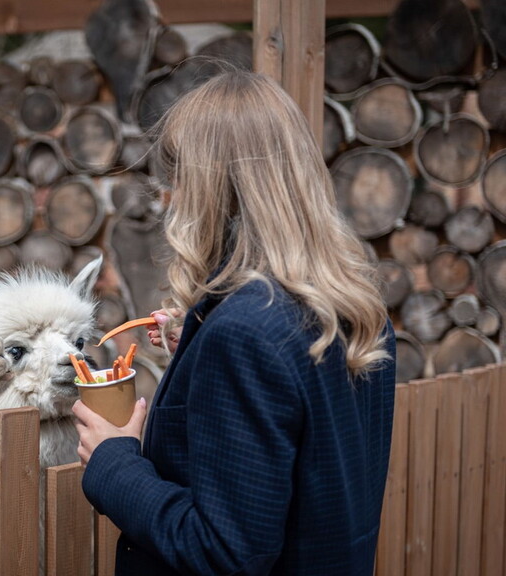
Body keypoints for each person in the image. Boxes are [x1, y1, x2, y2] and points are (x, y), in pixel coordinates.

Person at [73, 69, 396, 575]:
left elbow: (226, 553)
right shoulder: (355, 307)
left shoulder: (246, 333)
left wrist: (116, 462)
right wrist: (200, 347)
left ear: (212, 188)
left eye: (179, 181)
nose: (169, 199)